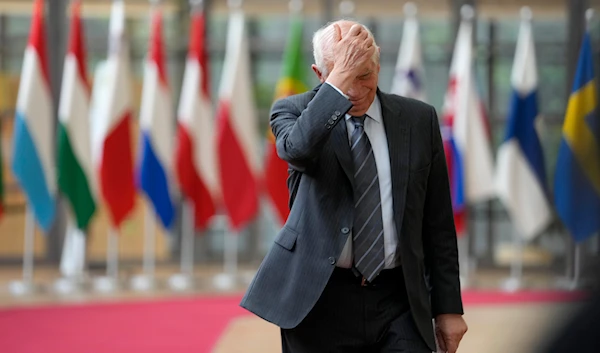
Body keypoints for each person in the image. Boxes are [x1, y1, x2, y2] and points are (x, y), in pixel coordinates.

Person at [241, 19, 467, 353]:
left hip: (399, 299)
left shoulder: (418, 120)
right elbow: (298, 150)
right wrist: (339, 83)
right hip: (319, 299)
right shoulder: (292, 111)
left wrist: (448, 308)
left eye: (365, 75)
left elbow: (438, 224)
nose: (358, 91)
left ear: (378, 64)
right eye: (345, 77)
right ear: (321, 75)